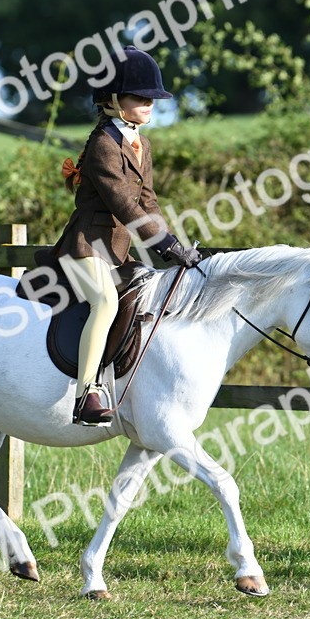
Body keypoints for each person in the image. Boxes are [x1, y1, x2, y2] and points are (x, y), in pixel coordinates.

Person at [50, 46, 202, 427]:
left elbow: (147, 201)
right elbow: (122, 203)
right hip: (87, 244)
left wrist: (173, 242)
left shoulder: (141, 143)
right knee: (104, 303)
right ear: (113, 100)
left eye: (152, 98)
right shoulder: (104, 144)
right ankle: (86, 394)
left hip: (116, 249)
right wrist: (162, 244)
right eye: (140, 97)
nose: (150, 104)